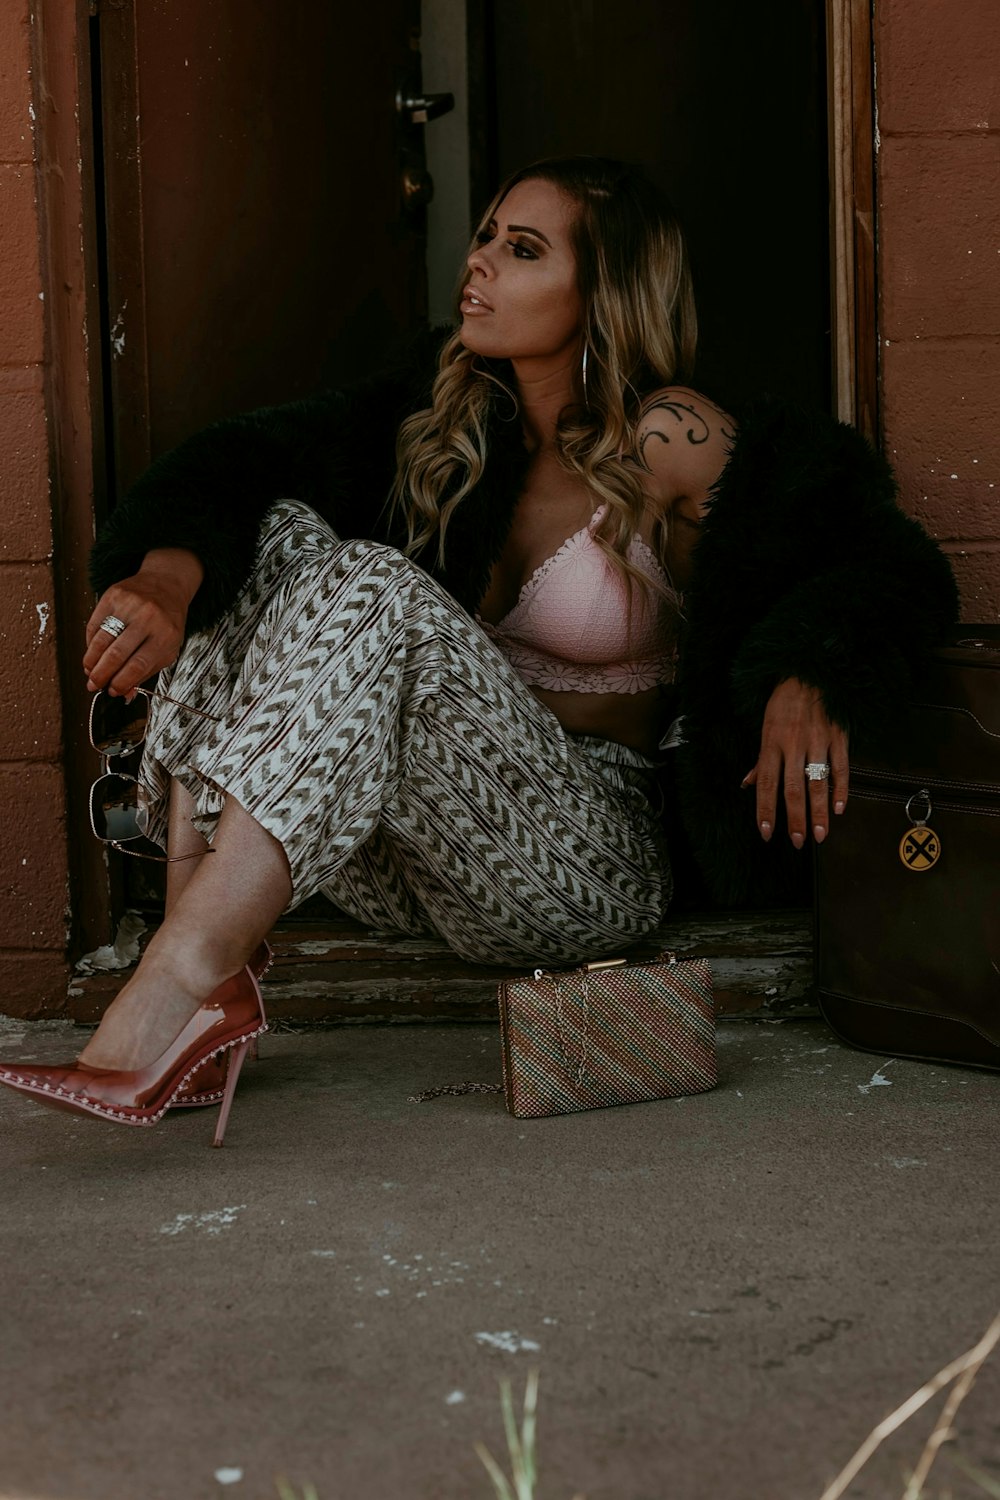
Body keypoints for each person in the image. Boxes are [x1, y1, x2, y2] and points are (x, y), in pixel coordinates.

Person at [0, 156, 957, 1141]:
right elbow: (245, 461)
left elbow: (888, 563)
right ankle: (200, 964)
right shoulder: (448, 419)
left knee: (376, 586)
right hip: (407, 855)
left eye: (524, 249)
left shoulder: (670, 437)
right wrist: (167, 571)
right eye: (487, 237)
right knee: (277, 530)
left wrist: (811, 665)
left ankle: (177, 984)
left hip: (581, 858)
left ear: (603, 292)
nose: (480, 264)